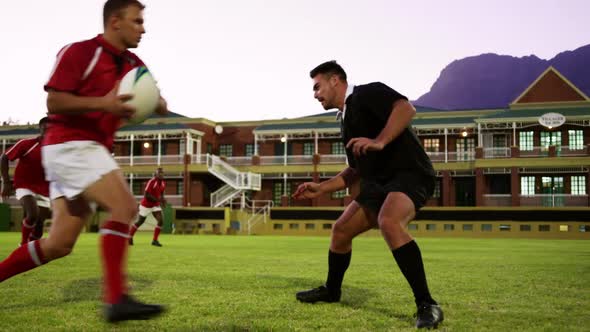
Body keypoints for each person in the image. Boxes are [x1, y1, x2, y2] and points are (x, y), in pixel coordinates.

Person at [0, 0, 167, 322]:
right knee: (125, 208)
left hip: (84, 149)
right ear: (115, 21)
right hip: (71, 144)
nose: (143, 28)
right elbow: (55, 101)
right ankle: (116, 299)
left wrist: (156, 103)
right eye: (137, 21)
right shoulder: (79, 52)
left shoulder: (133, 62)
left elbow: (150, 95)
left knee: (59, 244)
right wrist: (103, 102)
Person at [293, 61, 443, 329]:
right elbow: (355, 169)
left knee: (389, 220)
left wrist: (380, 140)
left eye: (317, 87)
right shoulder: (346, 119)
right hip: (379, 184)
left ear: (335, 81)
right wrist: (322, 187)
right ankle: (332, 290)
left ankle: (427, 304)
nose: (315, 94)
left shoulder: (366, 93)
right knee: (340, 231)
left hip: (410, 173)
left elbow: (405, 108)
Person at [1, 118, 51, 246]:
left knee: (39, 227)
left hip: (45, 189)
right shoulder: (27, 143)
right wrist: (7, 182)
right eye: (45, 127)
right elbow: (4, 157)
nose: (48, 130)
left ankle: (31, 247)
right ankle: (23, 245)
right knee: (32, 214)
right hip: (24, 185)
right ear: (40, 128)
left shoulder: (56, 149)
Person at [129, 167, 166, 247]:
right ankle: (130, 236)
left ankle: (155, 240)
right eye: (159, 173)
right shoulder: (151, 182)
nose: (161, 174)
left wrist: (163, 200)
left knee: (161, 220)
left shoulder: (163, 183)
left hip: (155, 205)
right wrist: (158, 200)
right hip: (146, 205)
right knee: (140, 222)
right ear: (156, 174)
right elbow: (146, 195)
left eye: (162, 173)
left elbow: (162, 193)